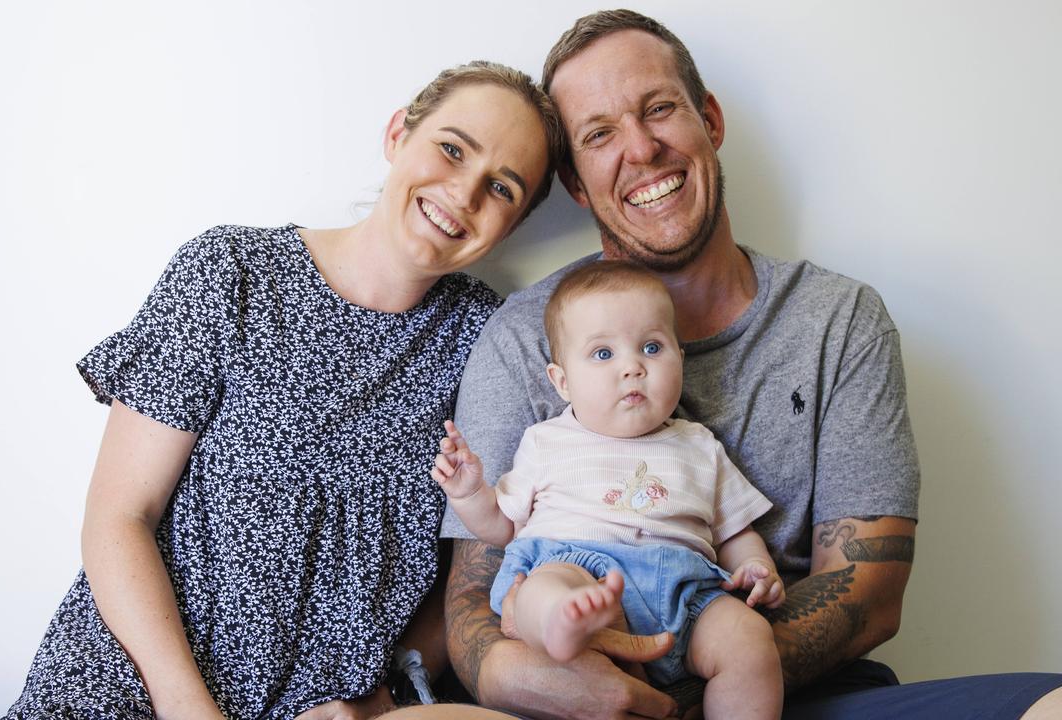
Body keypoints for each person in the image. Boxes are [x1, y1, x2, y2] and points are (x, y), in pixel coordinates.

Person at [440, 9, 1062, 720]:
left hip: (784, 690)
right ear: (578, 186)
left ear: (709, 120)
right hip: (579, 695)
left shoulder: (835, 320)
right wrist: (533, 675)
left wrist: (707, 672)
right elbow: (475, 598)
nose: (641, 149)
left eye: (660, 109)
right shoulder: (528, 336)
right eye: (599, 134)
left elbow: (871, 592)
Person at [3, 59, 566, 720]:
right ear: (397, 134)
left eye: (501, 187)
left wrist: (386, 696)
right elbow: (119, 517)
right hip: (132, 686)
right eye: (451, 149)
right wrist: (189, 708)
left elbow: (484, 566)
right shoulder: (231, 273)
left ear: (514, 222)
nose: (464, 192)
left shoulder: (486, 341)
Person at [433, 261, 785, 719]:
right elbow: (502, 526)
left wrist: (756, 566)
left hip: (683, 592)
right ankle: (562, 627)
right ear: (562, 381)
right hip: (577, 565)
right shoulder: (547, 440)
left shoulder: (700, 445)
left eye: (652, 347)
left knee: (752, 642)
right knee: (544, 589)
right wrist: (468, 493)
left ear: (680, 357)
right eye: (603, 354)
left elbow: (735, 529)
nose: (632, 367)